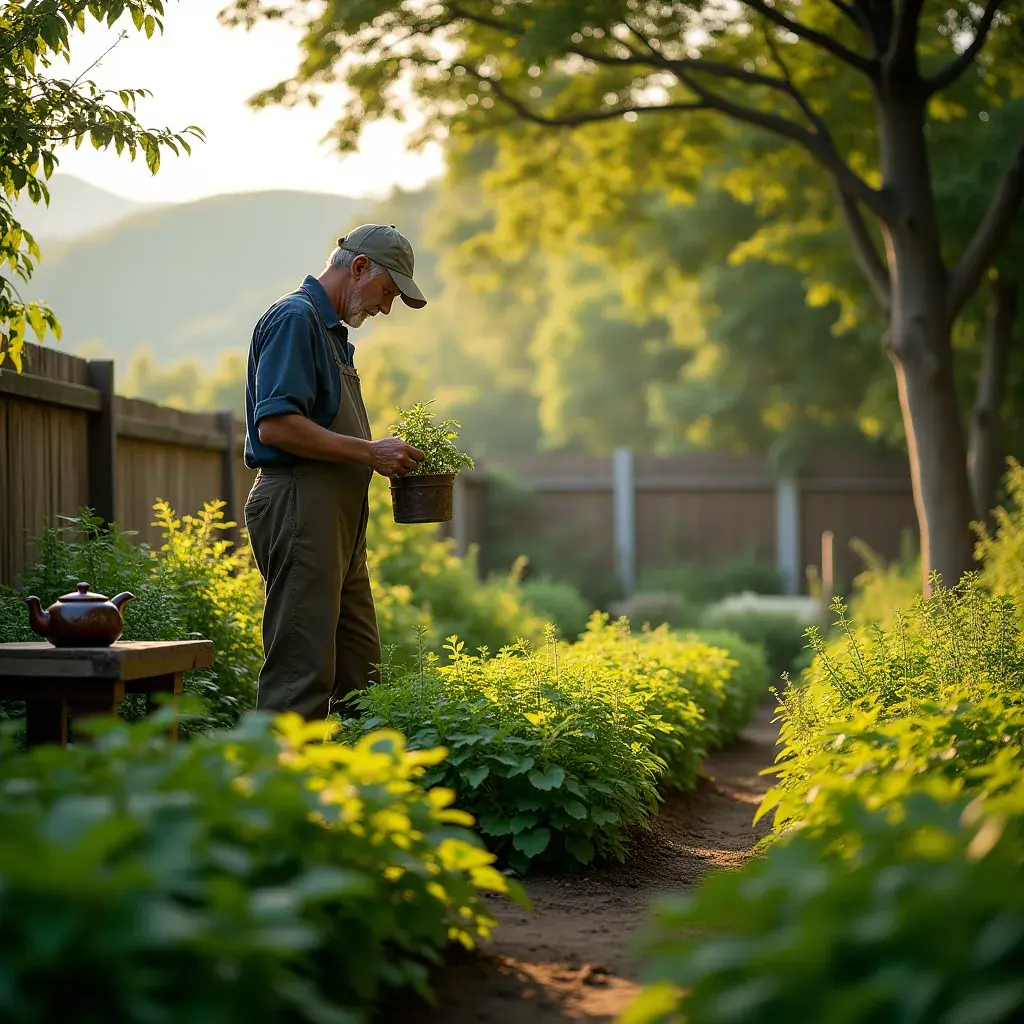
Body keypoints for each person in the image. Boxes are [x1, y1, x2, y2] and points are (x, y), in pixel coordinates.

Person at [242, 223, 426, 721]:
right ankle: (278, 794)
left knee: (360, 675)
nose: (386, 308)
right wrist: (369, 452)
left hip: (338, 521)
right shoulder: (295, 320)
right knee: (300, 675)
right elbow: (277, 426)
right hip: (301, 507)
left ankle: (352, 794)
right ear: (360, 267)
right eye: (387, 293)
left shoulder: (331, 334)